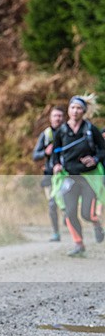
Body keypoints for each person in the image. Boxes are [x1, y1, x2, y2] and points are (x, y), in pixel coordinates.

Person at [51, 94, 105, 256]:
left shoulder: (90, 130)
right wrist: (56, 165)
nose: (75, 111)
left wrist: (94, 159)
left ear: (84, 111)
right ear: (68, 110)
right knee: (70, 212)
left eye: (79, 108)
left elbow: (103, 150)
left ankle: (95, 223)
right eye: (72, 108)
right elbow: (56, 151)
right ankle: (78, 244)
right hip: (69, 176)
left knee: (87, 214)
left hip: (88, 177)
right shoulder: (61, 131)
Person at [32, 106, 65, 241]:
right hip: (50, 174)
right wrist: (46, 152)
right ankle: (56, 233)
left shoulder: (68, 132)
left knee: (68, 202)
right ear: (50, 118)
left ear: (64, 118)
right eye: (55, 116)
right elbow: (35, 155)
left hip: (68, 173)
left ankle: (69, 223)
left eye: (60, 116)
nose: (58, 118)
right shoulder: (46, 135)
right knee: (52, 204)